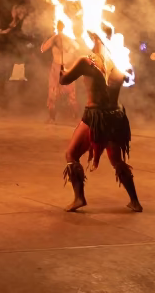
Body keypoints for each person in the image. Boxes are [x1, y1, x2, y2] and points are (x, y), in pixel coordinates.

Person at [59, 26, 141, 213]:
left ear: (95, 38)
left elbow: (64, 81)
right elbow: (125, 80)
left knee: (71, 154)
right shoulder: (120, 61)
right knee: (117, 161)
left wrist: (62, 72)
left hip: (95, 116)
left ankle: (79, 198)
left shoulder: (86, 62)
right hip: (115, 117)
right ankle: (135, 201)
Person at [40, 21, 78, 123]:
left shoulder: (63, 38)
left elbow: (42, 49)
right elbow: (43, 49)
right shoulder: (62, 38)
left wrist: (47, 39)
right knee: (58, 92)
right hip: (61, 67)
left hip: (64, 67)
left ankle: (72, 117)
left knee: (67, 93)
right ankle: (55, 117)